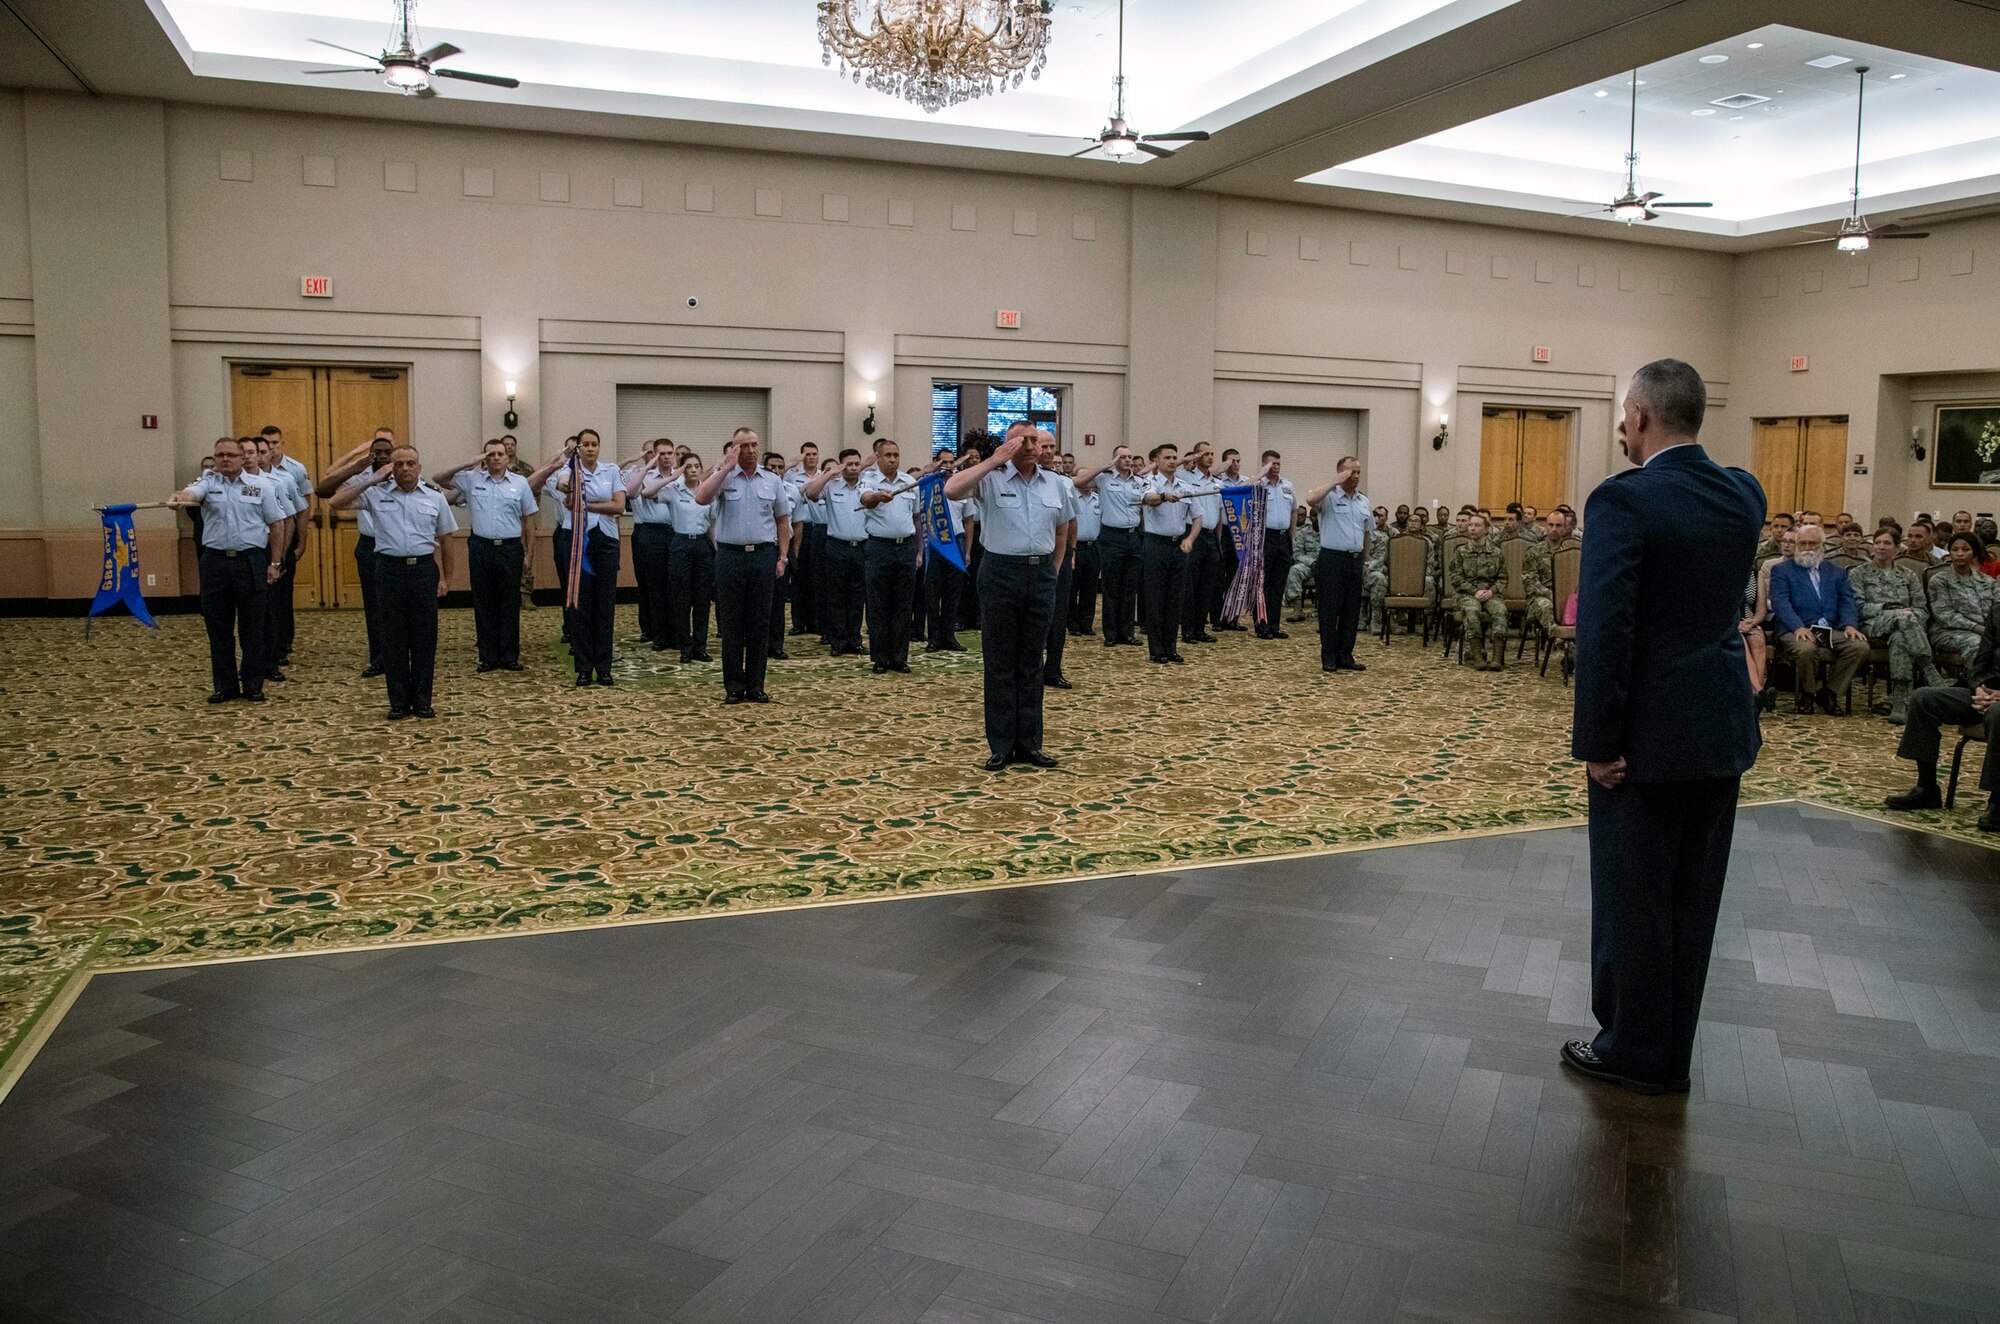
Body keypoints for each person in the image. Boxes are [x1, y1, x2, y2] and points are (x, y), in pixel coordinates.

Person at [1564, 357, 1763, 1096]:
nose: (1621, 427)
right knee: (1692, 899)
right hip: (1721, 725)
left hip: (1647, 735)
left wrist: (1599, 744)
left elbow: (1606, 632)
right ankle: (1670, 1046)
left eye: (1624, 415)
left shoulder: (1624, 502)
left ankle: (1632, 1051)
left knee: (1634, 896)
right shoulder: (1745, 493)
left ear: (1641, 416)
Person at [946, 422, 1076, 771]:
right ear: (1008, 445)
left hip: (1041, 573)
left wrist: (1052, 570)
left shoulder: (1057, 484)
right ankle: (1002, 744)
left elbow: (1061, 531)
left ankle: (1030, 744)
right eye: (1024, 440)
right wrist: (992, 461)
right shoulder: (989, 478)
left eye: (1037, 440)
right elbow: (951, 490)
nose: (1032, 446)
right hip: (1000, 572)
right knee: (1001, 661)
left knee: (1032, 661)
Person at [327, 445, 457, 719]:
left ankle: (422, 700)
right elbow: (335, 502)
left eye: (411, 463)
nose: (405, 469)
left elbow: (446, 539)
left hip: (423, 570)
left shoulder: (435, 498)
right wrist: (371, 480)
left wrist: (446, 578)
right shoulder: (375, 493)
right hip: (388, 571)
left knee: (424, 639)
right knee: (392, 638)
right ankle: (398, 702)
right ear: (391, 468)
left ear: (419, 468)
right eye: (399, 464)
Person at [166, 437, 286, 703]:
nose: (224, 460)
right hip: (216, 564)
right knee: (218, 629)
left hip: (251, 561)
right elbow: (189, 494)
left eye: (230, 455)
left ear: (242, 458)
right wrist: (179, 498)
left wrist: (275, 563)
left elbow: (277, 525)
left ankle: (253, 684)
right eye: (220, 455)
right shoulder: (208, 482)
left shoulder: (261, 486)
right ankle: (225, 686)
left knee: (252, 629)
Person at [433, 438, 553, 672]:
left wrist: (528, 554)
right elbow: (439, 478)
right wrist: (470, 463)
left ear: (507, 458)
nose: (496, 458)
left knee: (510, 603)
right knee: (483, 602)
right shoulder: (471, 480)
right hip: (481, 548)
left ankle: (509, 656)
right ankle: (488, 657)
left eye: (500, 454)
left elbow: (529, 520)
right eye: (491, 454)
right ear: (484, 458)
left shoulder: (519, 484)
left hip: (510, 548)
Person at [1885, 587, 2000, 829]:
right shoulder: (1997, 613)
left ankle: (1998, 802)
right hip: (1984, 694)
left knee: (1998, 714)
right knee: (1923, 698)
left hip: (1997, 705)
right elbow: (1980, 662)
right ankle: (1926, 788)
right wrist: (1979, 687)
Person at [695, 428, 792, 703]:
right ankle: (734, 687)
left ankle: (756, 686)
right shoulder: (724, 477)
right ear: (733, 449)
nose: (750, 450)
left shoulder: (772, 480)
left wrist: (782, 557)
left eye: (754, 445)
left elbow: (782, 521)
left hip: (763, 556)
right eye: (743, 446)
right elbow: (701, 498)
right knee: (732, 624)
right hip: (730, 557)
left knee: (760, 624)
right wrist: (725, 469)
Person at [548, 429, 626, 687]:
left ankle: (603, 668)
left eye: (594, 444)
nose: (590, 448)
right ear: (578, 448)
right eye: (585, 445)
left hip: (606, 540)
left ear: (599, 447)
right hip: (577, 540)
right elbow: (565, 493)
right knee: (581, 608)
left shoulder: (611, 471)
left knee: (604, 608)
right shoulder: (570, 470)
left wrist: (587, 504)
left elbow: (618, 506)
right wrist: (585, 497)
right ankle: (583, 668)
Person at [317, 430, 398, 676]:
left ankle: (400, 656)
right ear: (371, 455)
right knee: (374, 607)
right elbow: (323, 491)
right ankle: (380, 659)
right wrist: (355, 468)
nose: (383, 457)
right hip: (370, 547)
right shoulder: (362, 477)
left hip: (396, 548)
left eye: (387, 452)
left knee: (398, 607)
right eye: (378, 452)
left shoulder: (405, 476)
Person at [1767, 523, 1868, 714]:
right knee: (1806, 649)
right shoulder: (1782, 570)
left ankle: (1829, 692)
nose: (1806, 548)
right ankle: (1808, 693)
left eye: (1812, 544)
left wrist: (1849, 625)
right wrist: (1798, 627)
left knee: (1859, 647)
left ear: (1822, 545)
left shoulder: (1837, 572)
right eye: (1802, 543)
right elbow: (1780, 603)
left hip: (1829, 628)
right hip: (1793, 628)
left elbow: (1847, 602)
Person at [1851, 528, 1943, 723]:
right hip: (1872, 625)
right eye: (1878, 543)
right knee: (1903, 618)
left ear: (1896, 548)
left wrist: (1906, 614)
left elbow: (1921, 608)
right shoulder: (1859, 573)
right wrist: (1887, 608)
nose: (1881, 547)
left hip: (1905, 627)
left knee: (1900, 637)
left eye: (1887, 543)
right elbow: (1857, 608)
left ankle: (1899, 703)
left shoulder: (1907, 575)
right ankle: (1929, 669)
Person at [855, 438, 922, 674]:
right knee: (878, 605)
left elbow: (917, 519)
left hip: (905, 548)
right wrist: (877, 497)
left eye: (896, 455)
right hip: (878, 548)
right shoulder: (869, 480)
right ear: (877, 457)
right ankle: (880, 658)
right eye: (887, 455)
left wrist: (919, 550)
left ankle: (899, 657)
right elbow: (865, 499)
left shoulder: (909, 482)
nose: (892, 459)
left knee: (903, 605)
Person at [1307, 456, 1370, 674]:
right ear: (1340, 473)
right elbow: (1310, 500)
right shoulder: (1330, 497)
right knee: (1329, 611)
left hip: (1354, 561)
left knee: (1351, 612)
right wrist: (1334, 482)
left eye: (1358, 472)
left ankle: (1345, 655)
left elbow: (1367, 533)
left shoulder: (1363, 501)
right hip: (1331, 560)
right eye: (1351, 472)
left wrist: (1366, 561)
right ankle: (1329, 657)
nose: (1355, 476)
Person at [1075, 445, 1143, 646]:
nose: (1128, 460)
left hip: (1133, 537)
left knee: (1129, 588)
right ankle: (1111, 634)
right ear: (1114, 460)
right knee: (1111, 587)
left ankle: (1127, 633)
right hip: (1112, 537)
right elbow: (1080, 480)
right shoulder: (1104, 479)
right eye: (1123, 457)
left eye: (1130, 457)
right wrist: (1105, 466)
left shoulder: (1138, 482)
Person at [1138, 443, 1199, 665]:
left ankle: (1171, 647)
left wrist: (1190, 538)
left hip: (1179, 546)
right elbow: (1150, 499)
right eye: (1167, 458)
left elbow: (1198, 517)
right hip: (1156, 545)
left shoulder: (1185, 486)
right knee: (1155, 598)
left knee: (1176, 599)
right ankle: (1156, 649)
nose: (1172, 461)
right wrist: (1164, 496)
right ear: (1156, 461)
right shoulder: (1149, 482)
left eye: (1175, 457)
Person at [803, 449, 867, 657]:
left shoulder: (867, 486)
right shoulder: (831, 486)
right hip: (836, 546)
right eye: (849, 464)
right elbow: (811, 493)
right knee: (836, 596)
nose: (854, 467)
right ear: (841, 465)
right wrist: (830, 473)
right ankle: (838, 640)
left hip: (861, 547)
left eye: (857, 464)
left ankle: (854, 639)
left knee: (857, 597)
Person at [261, 424, 311, 670]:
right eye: (266, 444)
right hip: (260, 545)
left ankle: (283, 642)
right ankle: (268, 645)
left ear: (282, 444)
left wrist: (301, 542)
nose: (270, 449)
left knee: (282, 597)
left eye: (275, 444)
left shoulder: (294, 472)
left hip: (285, 542)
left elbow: (301, 510)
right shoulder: (252, 476)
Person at [657, 453, 715, 663]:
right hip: (680, 543)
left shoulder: (708, 491)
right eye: (688, 466)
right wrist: (672, 478)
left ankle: (700, 647)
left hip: (702, 544)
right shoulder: (674, 491)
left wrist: (716, 551)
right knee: (681, 600)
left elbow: (713, 525)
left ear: (701, 469)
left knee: (702, 600)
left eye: (696, 466)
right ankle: (685, 648)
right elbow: (646, 493)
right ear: (682, 469)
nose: (692, 469)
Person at [625, 438, 676, 651]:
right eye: (660, 453)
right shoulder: (643, 475)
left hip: (674, 532)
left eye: (669, 453)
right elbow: (632, 492)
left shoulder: (679, 476)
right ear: (654, 455)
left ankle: (675, 633)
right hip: (650, 533)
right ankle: (658, 634)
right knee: (654, 586)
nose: (665, 457)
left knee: (674, 586)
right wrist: (646, 467)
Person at [927, 454, 975, 655]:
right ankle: (933, 638)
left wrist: (968, 550)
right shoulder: (930, 488)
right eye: (943, 463)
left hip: (957, 541)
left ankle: (948, 636)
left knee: (953, 593)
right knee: (932, 593)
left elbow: (969, 521)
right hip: (935, 543)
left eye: (950, 463)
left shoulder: (962, 487)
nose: (947, 466)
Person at [1452, 513, 1510, 670]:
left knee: (1500, 610)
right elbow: (1456, 577)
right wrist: (1474, 591)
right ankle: (1476, 655)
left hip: (1491, 594)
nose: (1472, 528)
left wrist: (1491, 591)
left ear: (1486, 530)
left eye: (1477, 525)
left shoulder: (1496, 552)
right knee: (1472, 611)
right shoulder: (1461, 552)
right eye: (1470, 525)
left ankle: (1497, 657)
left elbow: (1503, 578)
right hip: (1467, 594)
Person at [1179, 449, 1222, 647]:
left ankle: (1200, 629)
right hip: (1193, 534)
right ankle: (1187, 630)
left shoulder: (1216, 482)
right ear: (1196, 457)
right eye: (1206, 453)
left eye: (1212, 453)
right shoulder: (1186, 477)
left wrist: (1218, 540)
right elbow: (1166, 471)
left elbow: (1219, 513)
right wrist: (1185, 460)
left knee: (1207, 585)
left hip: (1212, 536)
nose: (1210, 457)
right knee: (1190, 585)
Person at [1254, 451, 1298, 639]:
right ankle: (1261, 624)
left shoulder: (1287, 485)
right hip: (1265, 537)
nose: (1276, 467)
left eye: (1278, 463)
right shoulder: (1258, 485)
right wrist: (1261, 474)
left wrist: (1292, 534)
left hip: (1283, 538)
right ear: (1264, 465)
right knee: (1262, 584)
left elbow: (1294, 510)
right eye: (1272, 464)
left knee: (1278, 584)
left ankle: (1274, 624)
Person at [785, 443, 824, 640]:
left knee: (816, 578)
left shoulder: (823, 475)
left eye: (814, 454)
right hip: (798, 529)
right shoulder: (792, 476)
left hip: (817, 529)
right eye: (807, 454)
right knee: (798, 578)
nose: (811, 457)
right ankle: (798, 622)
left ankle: (815, 621)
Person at [501, 434, 539, 610]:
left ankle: (526, 595)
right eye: (506, 445)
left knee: (526, 559)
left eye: (512, 444)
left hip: (524, 521)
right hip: (504, 524)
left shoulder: (526, 469)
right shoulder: (494, 468)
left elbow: (535, 494)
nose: (509, 447)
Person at [1067, 468, 1101, 638]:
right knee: (1073, 588)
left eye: (1090, 477)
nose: (1088, 480)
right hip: (1076, 547)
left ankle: (1086, 623)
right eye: (1084, 477)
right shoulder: (1072, 498)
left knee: (1090, 588)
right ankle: (1072, 623)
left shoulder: (1098, 499)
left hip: (1093, 547)